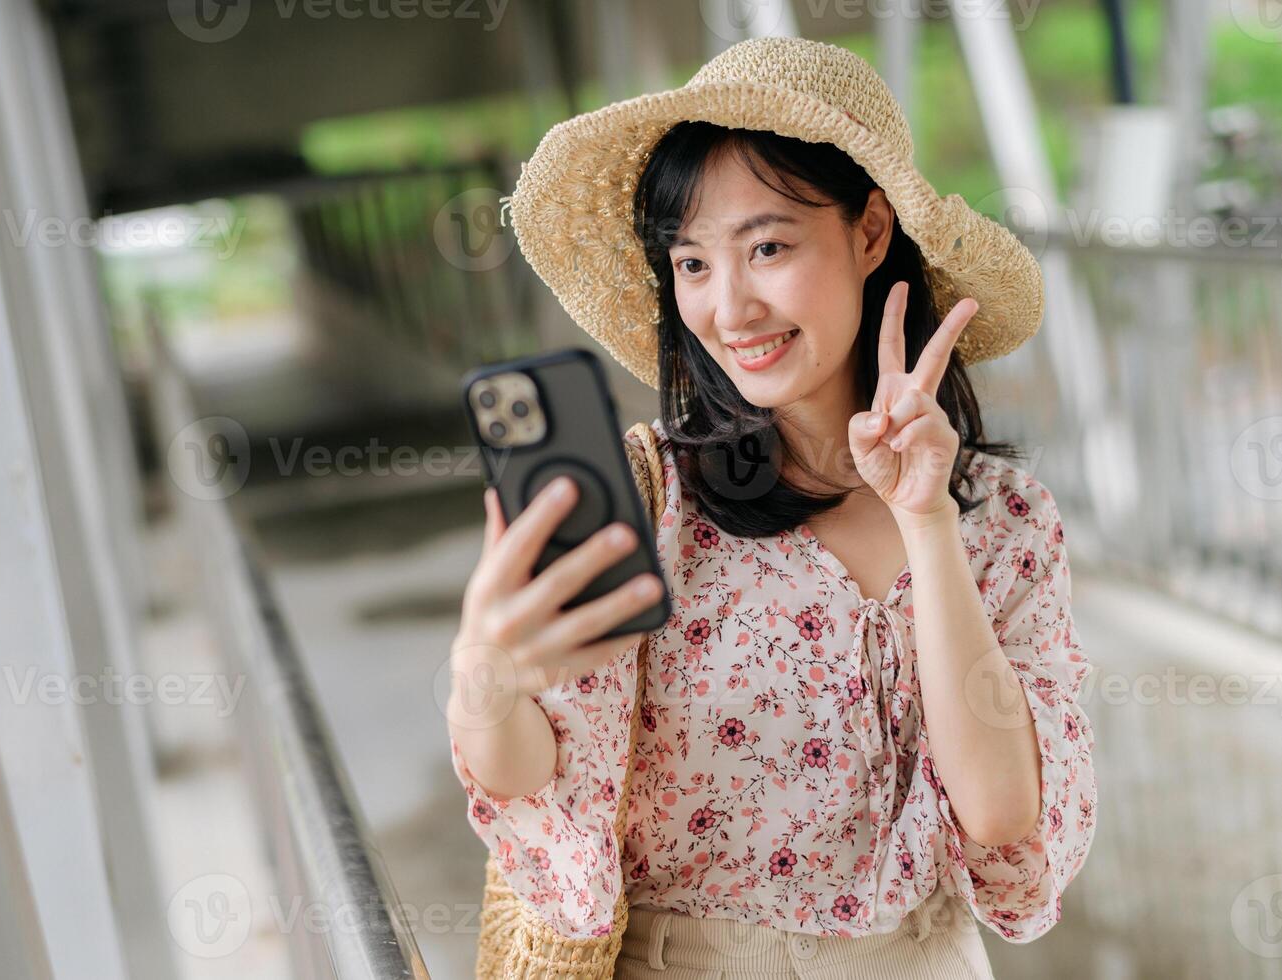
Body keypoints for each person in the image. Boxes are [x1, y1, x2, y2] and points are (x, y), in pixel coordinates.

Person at [446, 36, 1095, 979]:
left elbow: (1001, 817)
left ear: (869, 233)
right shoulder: (651, 501)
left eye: (768, 247)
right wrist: (484, 667)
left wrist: (926, 523)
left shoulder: (1001, 519)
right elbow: (529, 777)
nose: (730, 308)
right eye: (693, 264)